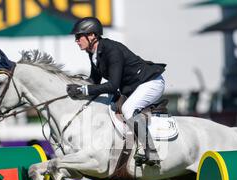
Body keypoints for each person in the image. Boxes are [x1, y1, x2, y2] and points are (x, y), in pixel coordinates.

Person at [67, 17, 167, 166]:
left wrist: (83, 89)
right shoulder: (93, 52)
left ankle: (151, 151)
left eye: (79, 36)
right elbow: (94, 81)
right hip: (134, 87)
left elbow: (113, 86)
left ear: (92, 35)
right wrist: (76, 88)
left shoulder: (111, 50)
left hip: (151, 83)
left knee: (128, 109)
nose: (76, 40)